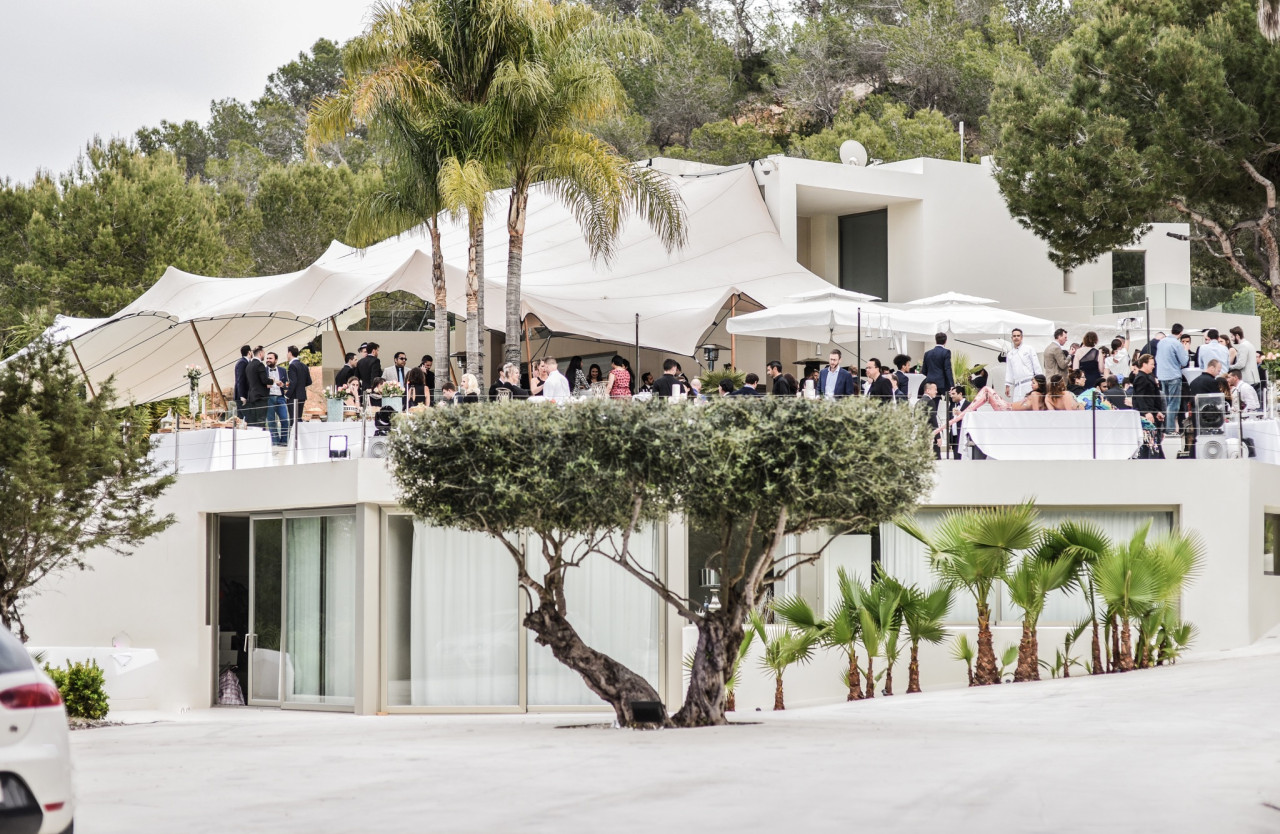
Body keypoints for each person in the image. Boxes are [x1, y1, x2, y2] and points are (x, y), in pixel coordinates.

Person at [948, 375, 1047, 426]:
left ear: (1040, 384)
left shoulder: (1035, 395)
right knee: (986, 392)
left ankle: (964, 413)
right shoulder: (1039, 395)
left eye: (1033, 383)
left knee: (986, 390)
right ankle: (965, 413)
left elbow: (1036, 413)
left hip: (1007, 408)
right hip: (1007, 408)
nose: (1031, 384)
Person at [1155, 323, 1189, 434]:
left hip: (1162, 375)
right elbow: (1184, 361)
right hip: (1173, 375)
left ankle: (1166, 427)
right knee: (1173, 404)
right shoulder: (1177, 344)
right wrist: (1186, 350)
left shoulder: (1161, 342)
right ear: (1181, 333)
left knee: (1166, 403)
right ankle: (1169, 429)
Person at [1003, 328, 1043, 400]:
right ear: (1012, 338)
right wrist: (1008, 385)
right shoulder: (1010, 354)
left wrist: (1040, 382)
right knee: (1017, 408)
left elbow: (1036, 365)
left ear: (1021, 337)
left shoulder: (1029, 349)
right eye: (1014, 336)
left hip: (1029, 383)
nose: (1016, 338)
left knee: (1030, 407)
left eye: (1018, 336)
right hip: (1017, 386)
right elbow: (1009, 371)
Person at [1131, 354, 1165, 427]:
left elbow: (1151, 397)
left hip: (1151, 413)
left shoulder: (1148, 376)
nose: (1153, 366)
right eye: (1151, 364)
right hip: (1145, 415)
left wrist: (1156, 412)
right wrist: (1146, 412)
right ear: (1144, 364)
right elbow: (1140, 397)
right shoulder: (1141, 378)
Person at [263, 352, 289, 446]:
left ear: (276, 360)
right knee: (271, 421)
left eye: (270, 358)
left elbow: (286, 385)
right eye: (267, 358)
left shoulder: (282, 370)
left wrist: (283, 385)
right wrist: (266, 386)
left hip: (280, 397)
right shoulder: (263, 371)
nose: (268, 360)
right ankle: (275, 442)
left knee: (285, 419)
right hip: (269, 397)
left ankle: (284, 441)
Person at [285, 345, 312, 436]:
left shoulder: (292, 366)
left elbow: (293, 382)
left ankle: (293, 440)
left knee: (293, 419)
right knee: (299, 419)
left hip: (294, 397)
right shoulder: (304, 366)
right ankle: (300, 438)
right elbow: (309, 381)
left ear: (290, 353)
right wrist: (300, 386)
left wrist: (287, 395)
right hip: (302, 395)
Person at [243, 346, 271, 431]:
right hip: (260, 397)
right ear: (260, 353)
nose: (264, 356)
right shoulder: (259, 364)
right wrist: (272, 381)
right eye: (264, 354)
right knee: (261, 420)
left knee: (253, 421)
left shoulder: (249, 365)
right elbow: (264, 380)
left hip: (251, 396)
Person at [944, 386, 969, 459]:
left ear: (960, 394)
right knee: (956, 459)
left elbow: (973, 418)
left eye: (953, 394)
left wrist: (961, 414)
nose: (951, 396)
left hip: (963, 437)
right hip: (954, 438)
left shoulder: (969, 405)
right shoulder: (952, 405)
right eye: (951, 394)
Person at [233, 345, 251, 410]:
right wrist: (242, 396)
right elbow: (240, 379)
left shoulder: (246, 362)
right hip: (242, 396)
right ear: (249, 352)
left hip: (246, 395)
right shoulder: (242, 363)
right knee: (242, 416)